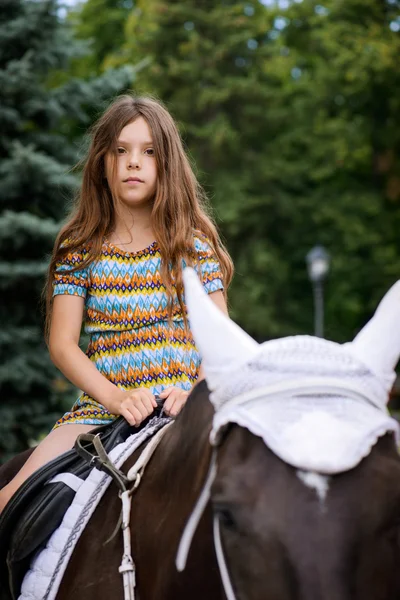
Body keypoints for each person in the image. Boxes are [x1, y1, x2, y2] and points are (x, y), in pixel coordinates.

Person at [0, 94, 233, 513]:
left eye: (148, 152)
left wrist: (194, 390)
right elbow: (63, 344)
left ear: (167, 164)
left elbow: (222, 340)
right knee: (6, 501)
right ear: (102, 164)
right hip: (102, 406)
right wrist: (116, 398)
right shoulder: (80, 248)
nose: (133, 162)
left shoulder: (193, 247)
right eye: (120, 151)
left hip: (188, 400)